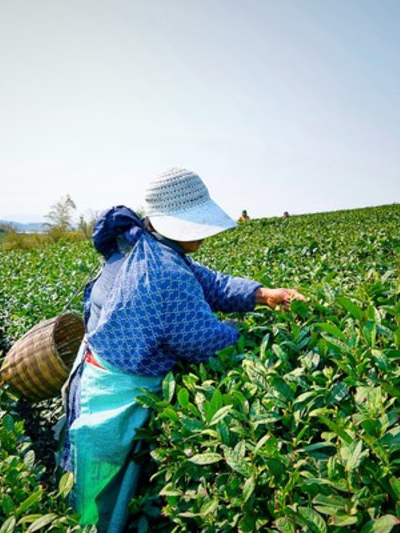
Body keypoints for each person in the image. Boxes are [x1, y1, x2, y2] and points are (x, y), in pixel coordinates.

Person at [58, 168, 305, 532]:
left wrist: (262, 295)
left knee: (89, 478)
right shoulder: (165, 276)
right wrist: (257, 338)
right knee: (97, 502)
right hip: (111, 396)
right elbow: (210, 343)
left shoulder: (142, 242)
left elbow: (209, 282)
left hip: (92, 370)